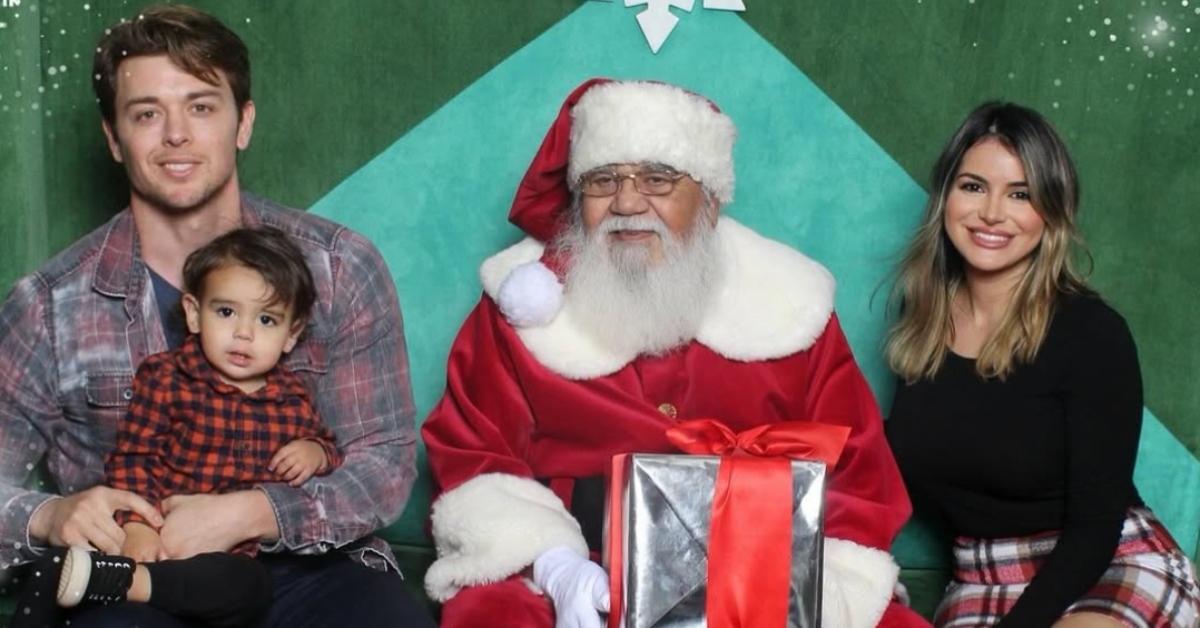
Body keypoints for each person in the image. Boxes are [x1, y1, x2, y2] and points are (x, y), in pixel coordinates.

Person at [421, 78, 929, 628]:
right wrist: (555, 564)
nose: (628, 202)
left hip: (760, 570)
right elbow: (474, 455)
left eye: (658, 179)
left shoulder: (791, 304)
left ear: (709, 201)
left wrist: (799, 589)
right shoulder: (518, 306)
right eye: (602, 181)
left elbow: (858, 475)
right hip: (583, 565)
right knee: (488, 614)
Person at [0, 5, 430, 627]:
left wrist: (255, 511)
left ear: (243, 122)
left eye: (201, 106)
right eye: (147, 113)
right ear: (115, 139)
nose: (176, 134)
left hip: (309, 567)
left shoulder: (339, 267)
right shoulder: (46, 304)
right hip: (144, 573)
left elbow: (383, 466)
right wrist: (50, 516)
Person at [884, 102, 1200, 628]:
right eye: (973, 186)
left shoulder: (1092, 333)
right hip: (980, 578)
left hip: (1107, 562)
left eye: (1021, 194)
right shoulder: (919, 319)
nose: (991, 214)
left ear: (1051, 211)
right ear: (945, 197)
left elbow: (1094, 529)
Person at [14, 226, 340, 627]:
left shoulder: (292, 396)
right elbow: (133, 459)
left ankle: (114, 581)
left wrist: (316, 450)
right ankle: (101, 579)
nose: (244, 332)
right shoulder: (167, 378)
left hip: (227, 558)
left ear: (291, 335)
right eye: (226, 312)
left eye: (267, 320)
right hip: (159, 532)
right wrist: (137, 528)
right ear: (193, 313)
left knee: (250, 587)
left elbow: (330, 446)